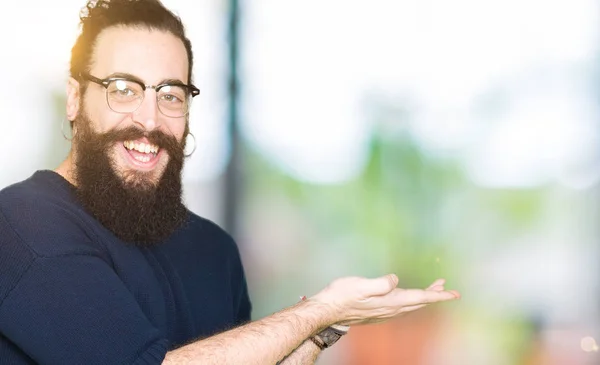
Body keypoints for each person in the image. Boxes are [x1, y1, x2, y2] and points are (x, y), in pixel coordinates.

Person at [0, 0, 460, 364]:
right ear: (76, 98)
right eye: (123, 89)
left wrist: (325, 329)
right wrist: (318, 310)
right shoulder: (21, 228)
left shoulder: (212, 249)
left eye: (171, 94)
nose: (149, 118)